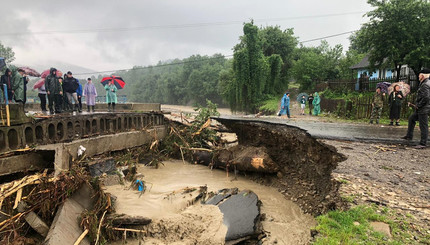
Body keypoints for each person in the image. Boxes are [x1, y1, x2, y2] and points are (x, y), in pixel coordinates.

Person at [402, 68, 430, 149]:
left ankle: (423, 143)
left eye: (419, 75)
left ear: (422, 75)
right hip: (421, 108)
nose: (418, 76)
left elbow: (426, 97)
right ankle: (409, 136)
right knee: (412, 118)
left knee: (423, 125)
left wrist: (419, 105)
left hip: (424, 108)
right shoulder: (425, 83)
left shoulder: (425, 84)